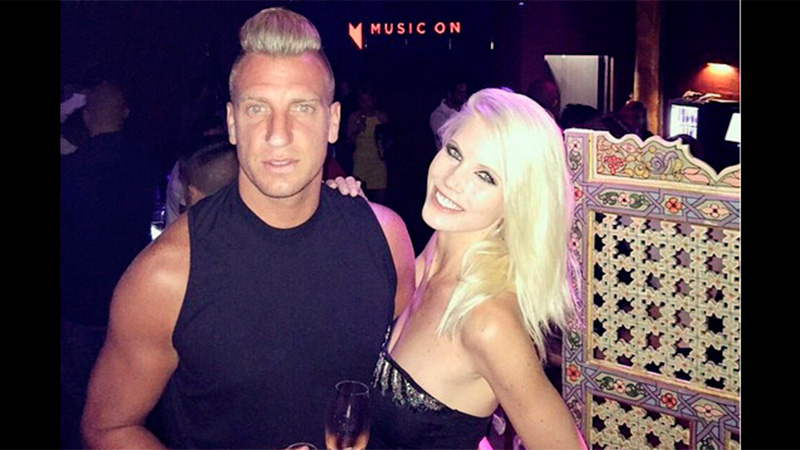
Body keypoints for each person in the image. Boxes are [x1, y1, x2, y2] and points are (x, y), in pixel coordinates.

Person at [81, 7, 416, 450]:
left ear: (333, 122)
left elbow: (410, 389)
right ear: (233, 122)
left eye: (302, 107)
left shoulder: (386, 238)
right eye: (257, 108)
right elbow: (109, 427)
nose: (279, 134)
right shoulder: (166, 275)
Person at [330, 88, 587, 450]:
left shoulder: (488, 322)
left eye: (486, 176)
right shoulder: (433, 253)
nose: (452, 180)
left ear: (519, 202)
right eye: (455, 153)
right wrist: (339, 207)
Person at [61, 81, 159, 449]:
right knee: (133, 401)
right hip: (133, 297)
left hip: (81, 304)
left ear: (87, 117)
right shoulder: (146, 161)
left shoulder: (69, 170)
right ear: (125, 113)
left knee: (84, 401)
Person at [346, 85, 389, 203]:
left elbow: (389, 140)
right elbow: (348, 142)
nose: (365, 103)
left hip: (378, 162)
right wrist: (357, 128)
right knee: (360, 199)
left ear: (374, 100)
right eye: (362, 99)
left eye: (368, 99)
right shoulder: (354, 117)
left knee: (380, 199)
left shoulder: (381, 116)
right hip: (360, 162)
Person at [429, 78, 467, 150]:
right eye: (460, 93)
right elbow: (449, 137)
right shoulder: (437, 116)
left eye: (464, 92)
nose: (464, 95)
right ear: (449, 94)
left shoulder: (467, 108)